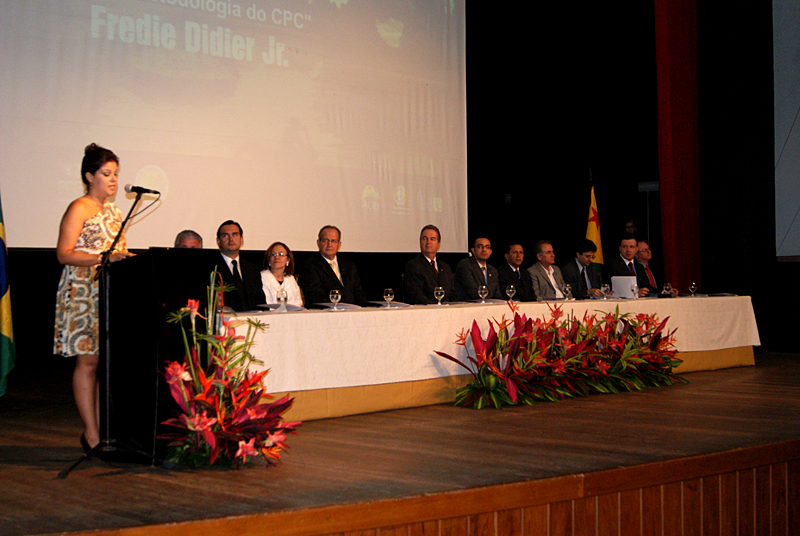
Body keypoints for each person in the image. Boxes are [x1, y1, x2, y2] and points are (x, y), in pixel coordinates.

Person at [54, 143, 134, 452]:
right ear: (89, 176)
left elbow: (117, 253)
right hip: (82, 291)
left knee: (107, 363)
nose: (113, 180)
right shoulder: (79, 207)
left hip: (110, 291)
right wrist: (103, 258)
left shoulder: (115, 212)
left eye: (115, 174)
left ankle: (106, 429)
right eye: (106, 174)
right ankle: (91, 434)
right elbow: (64, 254)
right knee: (88, 361)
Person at [299, 225, 368, 307]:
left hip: (352, 311)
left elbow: (358, 293)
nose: (329, 244)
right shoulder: (310, 265)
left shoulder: (349, 266)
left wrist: (363, 309)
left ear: (339, 244)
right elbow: (315, 296)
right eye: (325, 240)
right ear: (318, 243)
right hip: (326, 311)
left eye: (333, 241)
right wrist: (341, 306)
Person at [213, 220, 266, 311]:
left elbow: (260, 302)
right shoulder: (211, 269)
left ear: (241, 240)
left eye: (235, 235)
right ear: (218, 241)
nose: (231, 239)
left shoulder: (252, 269)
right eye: (225, 235)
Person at [403, 224, 456, 304]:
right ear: (420, 243)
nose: (428, 242)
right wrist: (436, 307)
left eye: (432, 239)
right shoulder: (413, 266)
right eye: (424, 239)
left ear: (438, 244)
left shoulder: (445, 267)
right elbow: (416, 296)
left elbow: (452, 294)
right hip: (426, 310)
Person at [261, 241, 303, 307]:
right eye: (273, 254)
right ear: (269, 259)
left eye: (281, 254)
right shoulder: (262, 277)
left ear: (288, 260)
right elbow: (265, 302)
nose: (277, 257)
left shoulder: (290, 279)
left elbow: (298, 302)